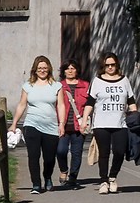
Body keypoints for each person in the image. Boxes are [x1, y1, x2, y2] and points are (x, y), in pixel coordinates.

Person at [89, 52, 135, 194]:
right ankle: (103, 181)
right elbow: (90, 102)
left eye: (112, 65)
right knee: (104, 153)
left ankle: (112, 177)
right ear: (103, 66)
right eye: (107, 65)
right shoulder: (97, 81)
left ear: (117, 65)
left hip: (120, 123)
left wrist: (135, 116)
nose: (110, 67)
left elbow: (131, 101)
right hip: (101, 123)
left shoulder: (124, 80)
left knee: (119, 152)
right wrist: (85, 119)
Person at [18, 56, 62, 195]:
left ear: (49, 69)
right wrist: (14, 123)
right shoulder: (28, 86)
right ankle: (36, 184)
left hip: (51, 126)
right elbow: (22, 105)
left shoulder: (56, 86)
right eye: (39, 68)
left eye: (44, 68)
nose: (42, 70)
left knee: (49, 158)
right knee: (33, 155)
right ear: (35, 70)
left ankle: (47, 177)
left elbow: (61, 105)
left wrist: (61, 124)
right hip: (32, 124)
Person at [57, 59, 91, 188]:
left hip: (79, 126)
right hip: (63, 125)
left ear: (77, 70)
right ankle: (64, 170)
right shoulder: (59, 86)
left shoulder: (85, 86)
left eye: (73, 68)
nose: (70, 71)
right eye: (67, 68)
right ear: (64, 71)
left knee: (77, 153)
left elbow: (90, 104)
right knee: (61, 151)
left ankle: (73, 177)